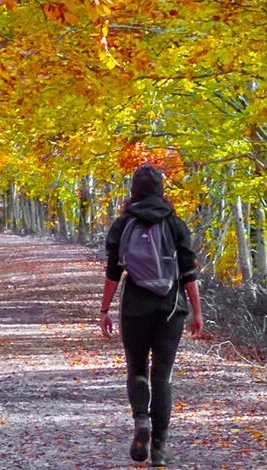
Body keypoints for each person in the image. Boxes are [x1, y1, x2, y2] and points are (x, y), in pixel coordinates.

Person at [99, 164, 204, 467]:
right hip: (171, 308)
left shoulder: (123, 225)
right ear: (161, 190)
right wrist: (197, 312)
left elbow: (112, 272)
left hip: (135, 307)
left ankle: (141, 418)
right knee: (163, 376)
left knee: (137, 369)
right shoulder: (175, 224)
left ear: (134, 190)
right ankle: (158, 448)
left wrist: (104, 309)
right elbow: (188, 273)